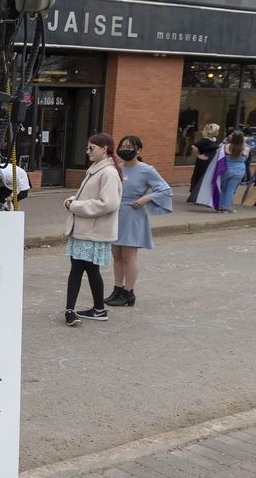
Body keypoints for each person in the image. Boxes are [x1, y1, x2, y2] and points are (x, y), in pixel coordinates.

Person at [106, 136, 173, 308]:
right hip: (117, 213)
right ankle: (117, 289)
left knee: (129, 256)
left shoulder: (147, 170)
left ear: (139, 150)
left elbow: (165, 189)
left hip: (133, 213)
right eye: (123, 146)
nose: (126, 149)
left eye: (130, 146)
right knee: (117, 255)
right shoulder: (117, 168)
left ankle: (129, 292)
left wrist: (147, 198)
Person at [63, 133, 122, 326]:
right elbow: (95, 197)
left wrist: (75, 206)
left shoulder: (108, 172)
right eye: (87, 148)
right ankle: (96, 309)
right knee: (86, 270)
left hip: (91, 231)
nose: (87, 152)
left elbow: (108, 204)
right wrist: (74, 200)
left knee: (81, 270)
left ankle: (73, 311)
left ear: (105, 148)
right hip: (88, 229)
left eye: (92, 148)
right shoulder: (99, 169)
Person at [216, 130, 251, 213]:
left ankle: (220, 206)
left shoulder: (226, 146)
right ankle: (226, 207)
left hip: (226, 169)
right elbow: (245, 159)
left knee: (223, 188)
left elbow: (221, 157)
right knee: (231, 189)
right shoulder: (246, 148)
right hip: (239, 170)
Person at [187, 122, 221, 202]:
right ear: (213, 131)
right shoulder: (205, 140)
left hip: (211, 161)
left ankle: (204, 195)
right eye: (217, 130)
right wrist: (198, 155)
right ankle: (195, 195)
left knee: (209, 177)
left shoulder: (214, 139)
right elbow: (194, 146)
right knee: (201, 176)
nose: (218, 132)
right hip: (204, 161)